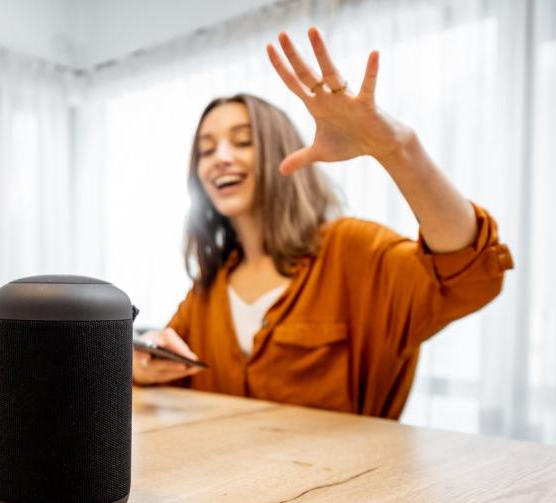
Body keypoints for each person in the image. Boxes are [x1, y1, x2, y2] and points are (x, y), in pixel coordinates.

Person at [132, 27, 513, 419]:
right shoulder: (208, 290)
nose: (220, 157)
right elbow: (167, 377)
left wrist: (395, 148)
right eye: (206, 149)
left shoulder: (353, 250)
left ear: (280, 151)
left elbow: (467, 273)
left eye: (243, 141)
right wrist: (142, 367)